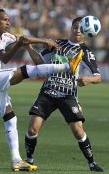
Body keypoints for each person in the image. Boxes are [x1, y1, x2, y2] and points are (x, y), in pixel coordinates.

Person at [0, 8, 82, 172]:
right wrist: (20, 43)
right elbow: (5, 57)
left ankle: (16, 160)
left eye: (8, 19)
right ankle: (67, 66)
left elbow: (24, 39)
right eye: (4, 20)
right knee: (27, 70)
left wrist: (44, 40)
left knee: (10, 118)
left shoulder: (6, 36)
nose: (8, 23)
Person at [24, 17, 104, 172]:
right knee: (32, 129)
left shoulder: (85, 52)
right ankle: (28, 160)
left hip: (68, 95)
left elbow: (98, 77)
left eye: (81, 29)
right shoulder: (57, 44)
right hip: (48, 92)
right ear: (71, 29)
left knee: (78, 131)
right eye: (75, 27)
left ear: (86, 31)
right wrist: (28, 47)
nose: (77, 31)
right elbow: (40, 63)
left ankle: (92, 163)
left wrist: (87, 79)